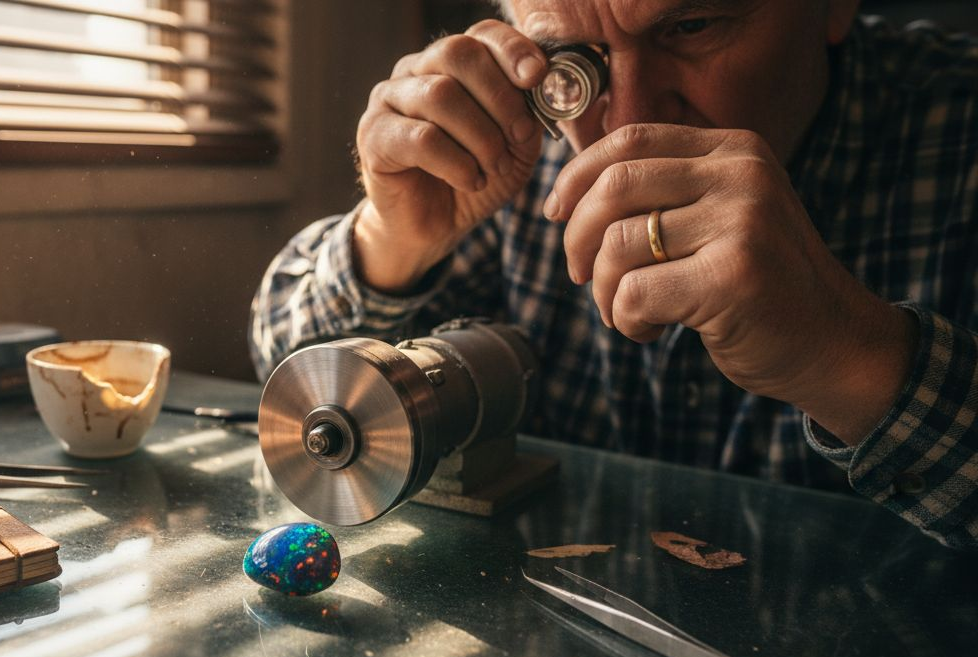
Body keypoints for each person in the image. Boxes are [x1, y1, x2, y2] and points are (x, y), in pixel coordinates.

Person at [249, 0, 978, 548]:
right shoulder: (515, 152)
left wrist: (849, 358)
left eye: (691, 26)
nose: (624, 121)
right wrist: (393, 239)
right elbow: (291, 384)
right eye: (571, 59)